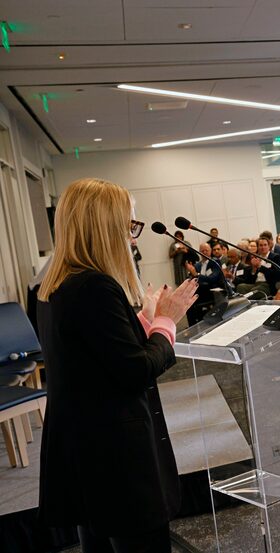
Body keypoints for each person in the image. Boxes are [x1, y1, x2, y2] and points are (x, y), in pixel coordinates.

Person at [37, 177, 198, 552]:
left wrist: (142, 320)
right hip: (116, 458)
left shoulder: (57, 285)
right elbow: (134, 370)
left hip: (87, 450)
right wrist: (167, 322)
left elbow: (94, 357)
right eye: (130, 225)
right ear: (105, 227)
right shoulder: (95, 287)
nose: (134, 236)